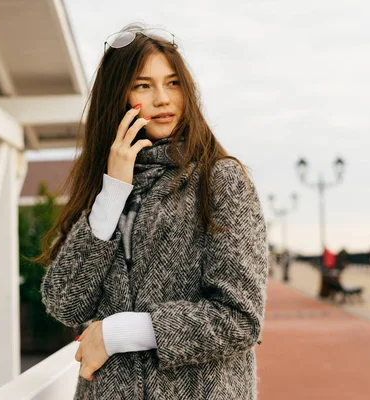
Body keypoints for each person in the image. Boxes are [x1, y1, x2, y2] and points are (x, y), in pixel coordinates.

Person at [37, 23, 269, 400]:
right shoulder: (107, 183)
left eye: (173, 83)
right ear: (120, 96)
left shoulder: (218, 179)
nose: (163, 98)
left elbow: (239, 320)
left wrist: (119, 332)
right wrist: (112, 193)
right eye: (143, 85)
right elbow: (65, 302)